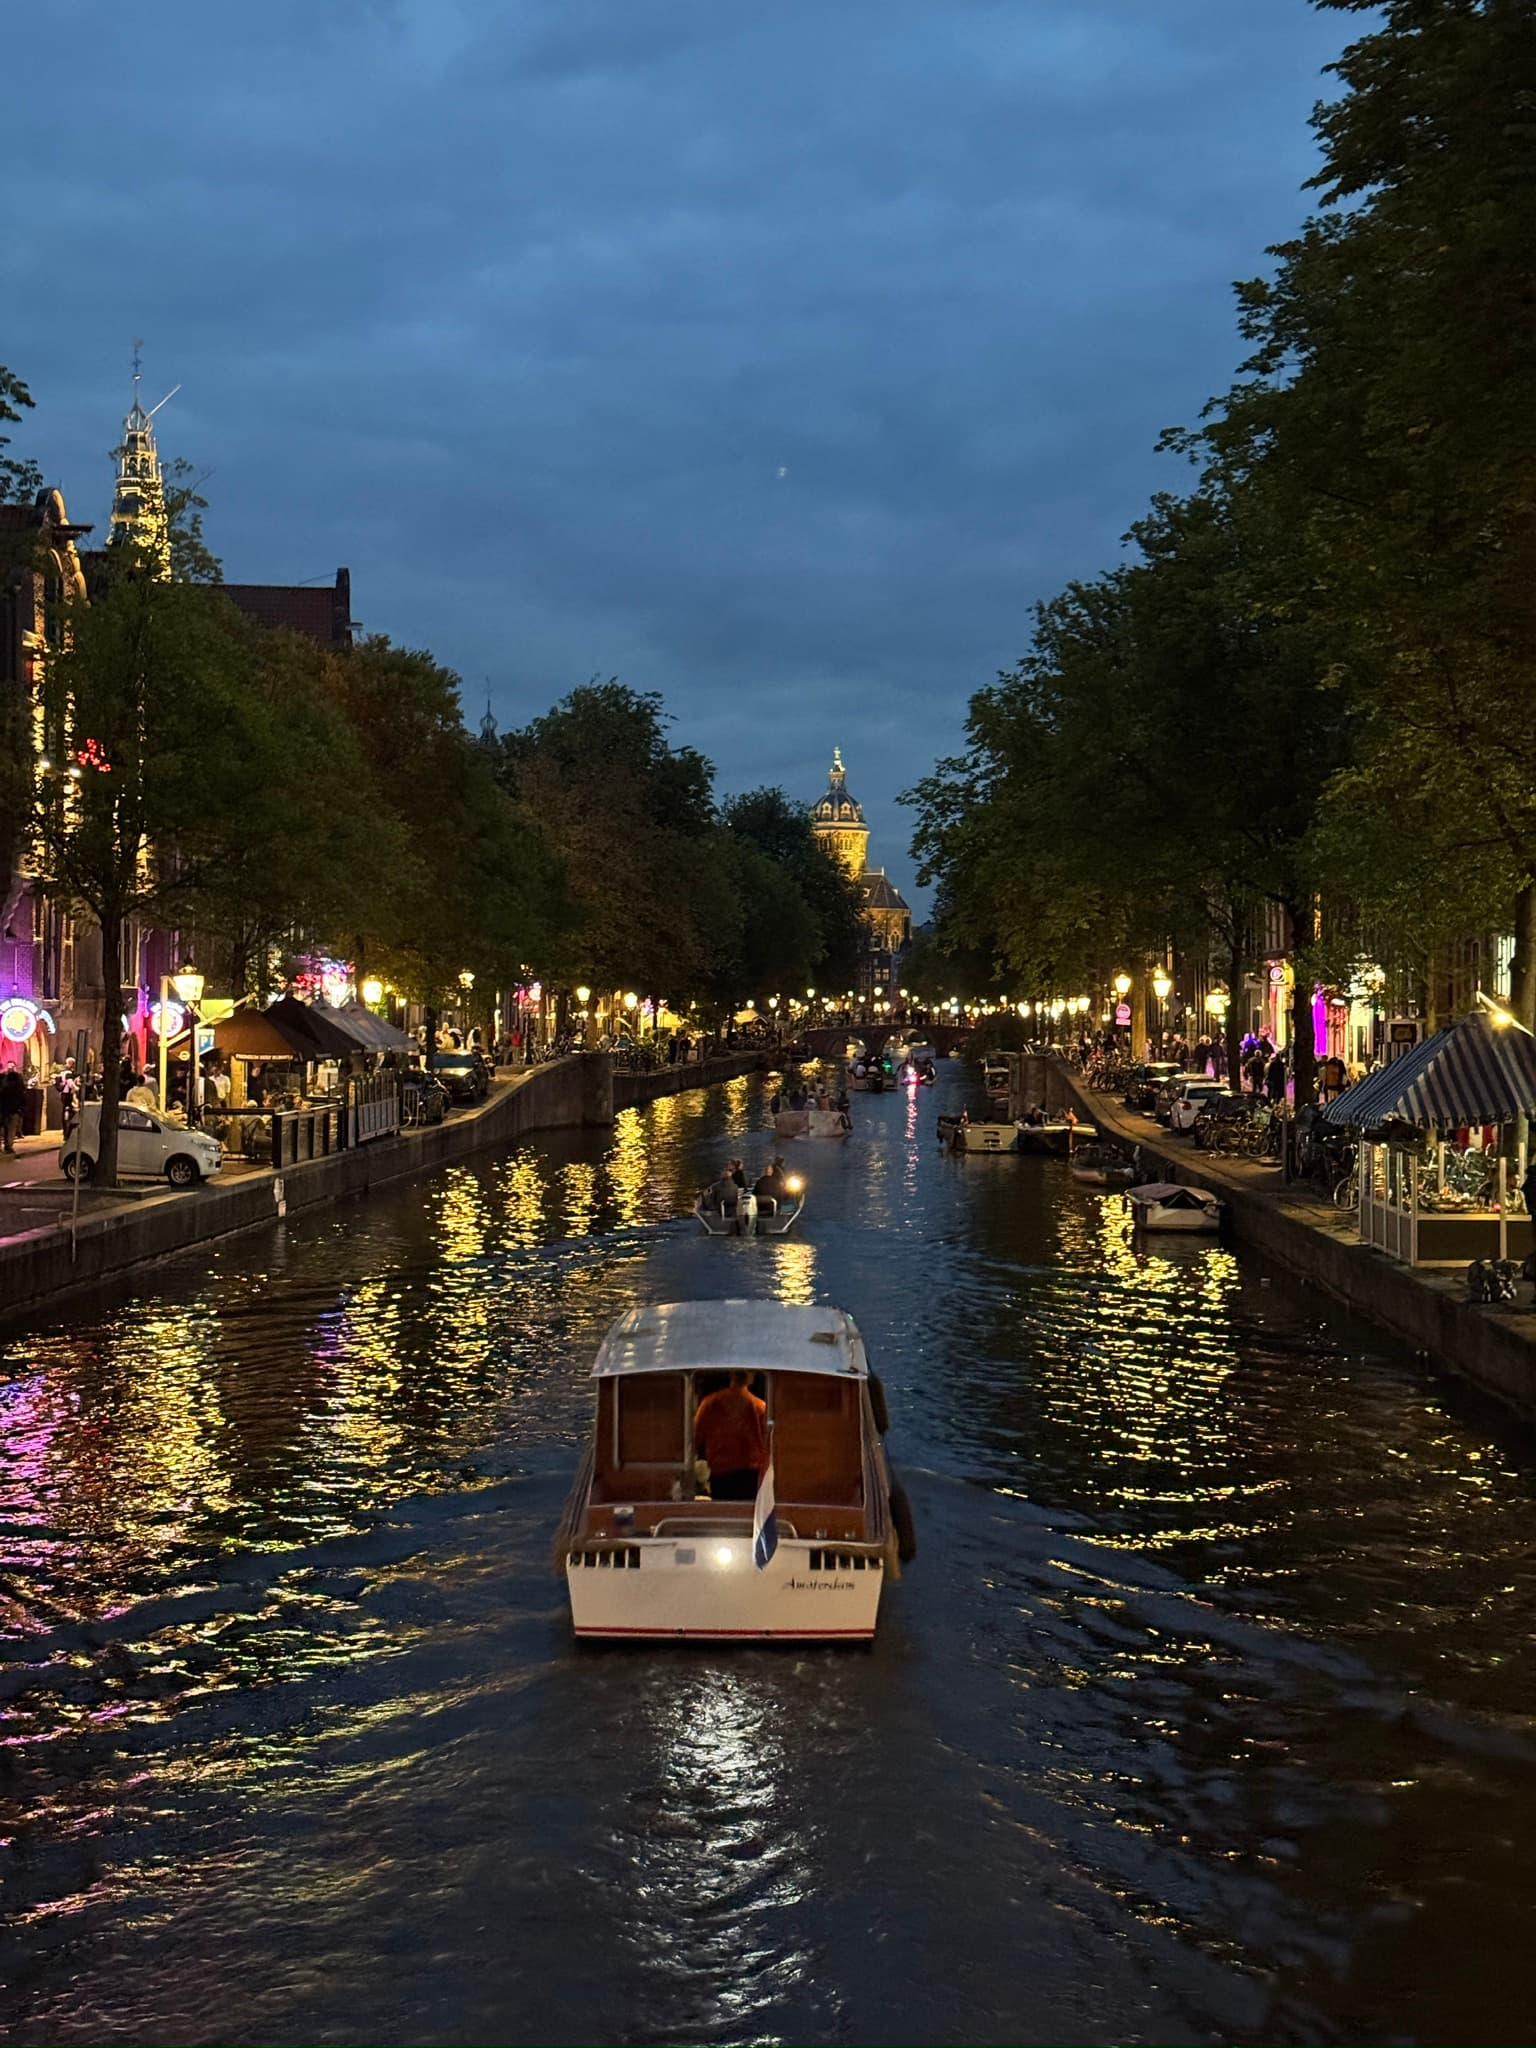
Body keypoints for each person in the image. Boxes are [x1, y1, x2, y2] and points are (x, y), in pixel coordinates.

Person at [692, 1370, 768, 1501]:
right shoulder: (760, 1407)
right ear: (751, 1377)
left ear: (731, 1375)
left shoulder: (709, 1404)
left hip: (721, 1476)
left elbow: (695, 1439)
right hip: (752, 1477)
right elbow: (768, 1445)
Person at [0, 1063, 25, 1154]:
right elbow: (22, 1094)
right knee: (10, 1129)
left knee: (9, 1128)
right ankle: (8, 1146)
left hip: (7, 1108)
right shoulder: (17, 1081)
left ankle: (8, 1146)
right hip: (11, 1108)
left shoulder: (4, 1080)